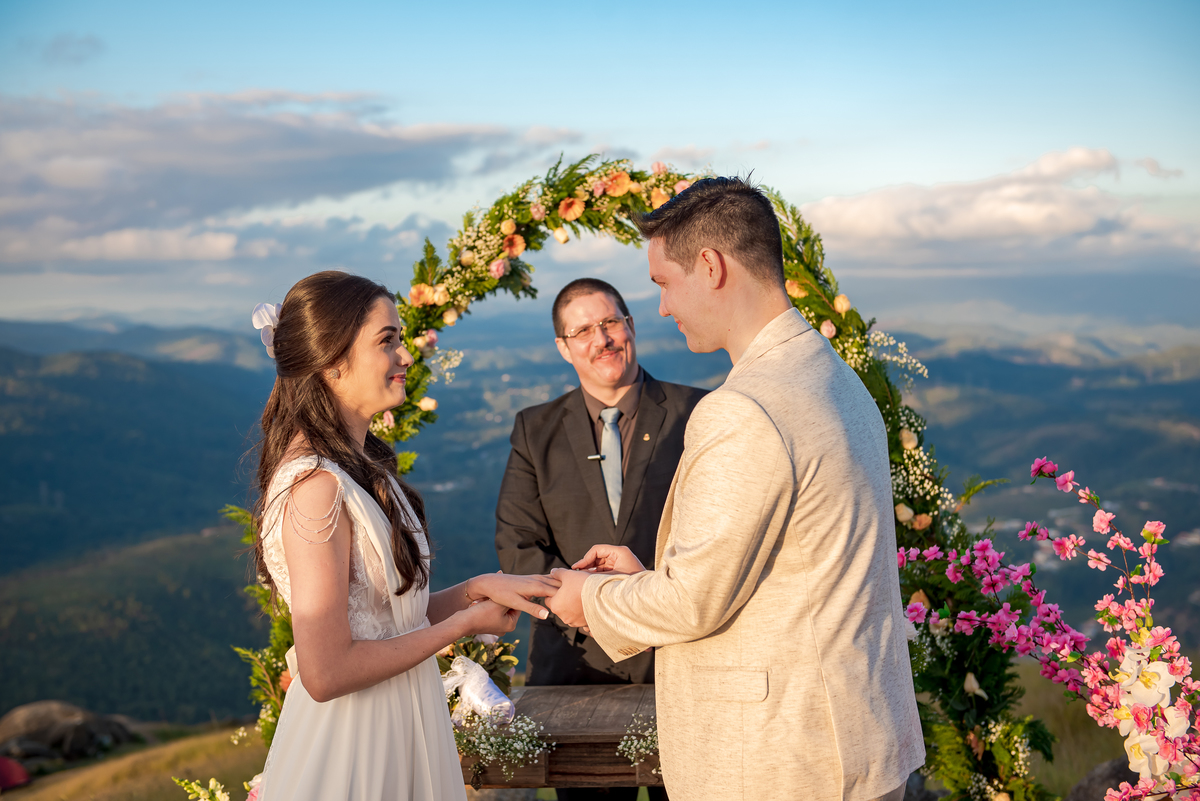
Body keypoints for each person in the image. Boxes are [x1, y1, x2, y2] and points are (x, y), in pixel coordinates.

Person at [545, 179, 925, 801]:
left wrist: (591, 598)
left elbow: (694, 603)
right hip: (856, 738)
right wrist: (646, 577)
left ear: (712, 266)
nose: (663, 308)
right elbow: (793, 570)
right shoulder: (837, 380)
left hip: (782, 758)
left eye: (664, 282)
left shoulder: (745, 410)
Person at [249, 271, 558, 801]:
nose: (407, 357)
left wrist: (480, 588)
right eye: (387, 340)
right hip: (353, 749)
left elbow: (388, 620)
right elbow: (325, 673)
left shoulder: (359, 469)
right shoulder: (314, 488)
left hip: (402, 726)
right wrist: (462, 625)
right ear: (332, 361)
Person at [495, 277, 706, 801]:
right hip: (576, 663)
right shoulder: (534, 428)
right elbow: (518, 543)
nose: (602, 338)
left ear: (631, 327)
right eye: (583, 330)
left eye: (610, 322)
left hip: (678, 662)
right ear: (564, 347)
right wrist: (584, 606)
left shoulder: (699, 414)